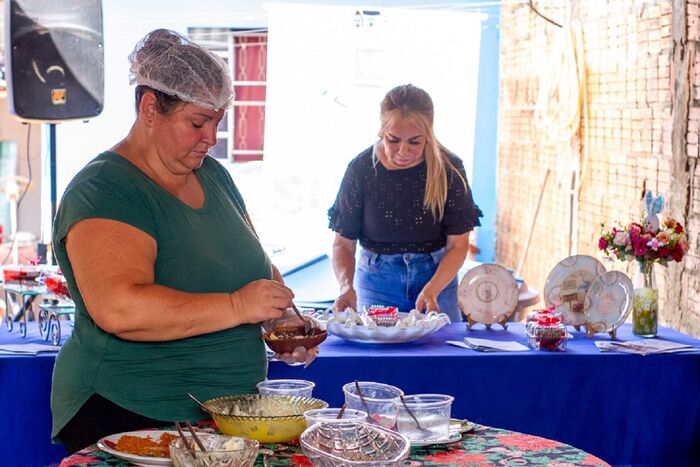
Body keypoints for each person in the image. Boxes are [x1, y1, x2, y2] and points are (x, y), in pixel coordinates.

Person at [50, 29, 315, 454]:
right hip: (132, 413)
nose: (211, 138)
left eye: (218, 121)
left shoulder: (216, 176)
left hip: (224, 416)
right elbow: (120, 308)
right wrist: (235, 306)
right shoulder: (105, 188)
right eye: (198, 123)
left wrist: (277, 321)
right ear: (150, 108)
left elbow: (256, 266)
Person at [328, 84, 482, 323]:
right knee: (380, 358)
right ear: (381, 131)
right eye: (393, 140)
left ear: (429, 134)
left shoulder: (450, 169)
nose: (403, 151)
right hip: (377, 281)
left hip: (437, 280)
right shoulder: (361, 169)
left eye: (414, 142)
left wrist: (432, 289)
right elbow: (343, 245)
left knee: (441, 354)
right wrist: (345, 287)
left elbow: (458, 246)